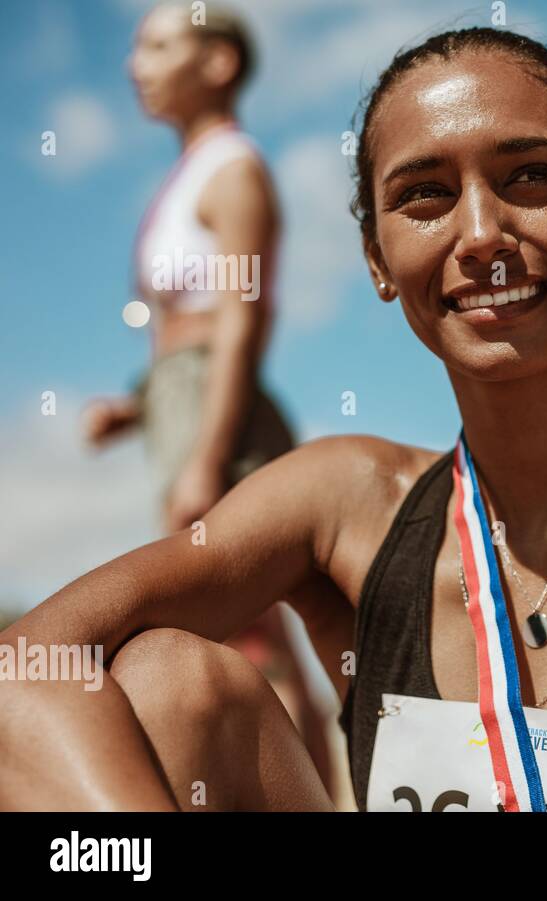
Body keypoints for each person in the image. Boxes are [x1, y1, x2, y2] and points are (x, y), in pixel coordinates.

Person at [0, 27, 547, 812]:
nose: (483, 232)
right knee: (166, 680)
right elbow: (25, 666)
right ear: (379, 260)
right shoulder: (343, 502)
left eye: (531, 175)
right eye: (425, 194)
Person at [77, 2, 336, 797]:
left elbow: (241, 315)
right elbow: (185, 330)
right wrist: (140, 405)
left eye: (156, 45)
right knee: (238, 626)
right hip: (182, 398)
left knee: (248, 629)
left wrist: (207, 453)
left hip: (213, 410)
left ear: (218, 61)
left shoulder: (233, 168)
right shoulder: (193, 172)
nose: (133, 63)